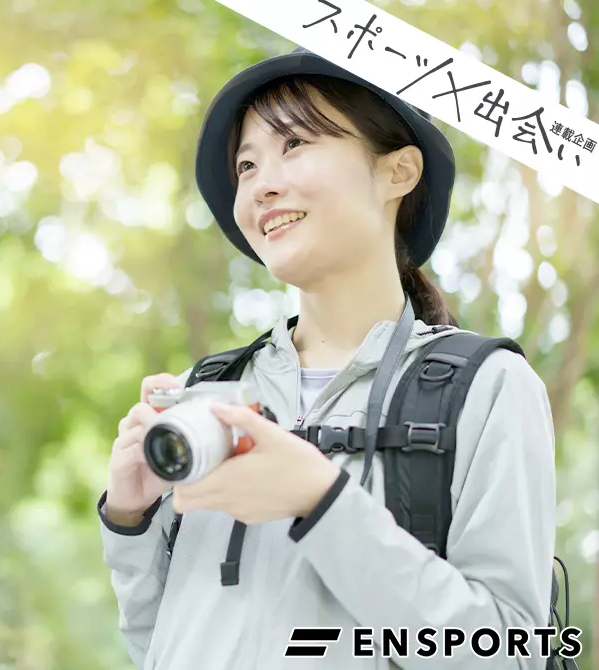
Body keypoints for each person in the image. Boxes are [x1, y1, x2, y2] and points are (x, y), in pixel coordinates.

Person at [98, 48, 556, 669]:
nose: (261, 183)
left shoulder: (488, 387)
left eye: (294, 145)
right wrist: (129, 517)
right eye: (246, 165)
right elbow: (154, 642)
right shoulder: (206, 393)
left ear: (397, 172)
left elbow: (509, 652)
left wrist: (321, 500)